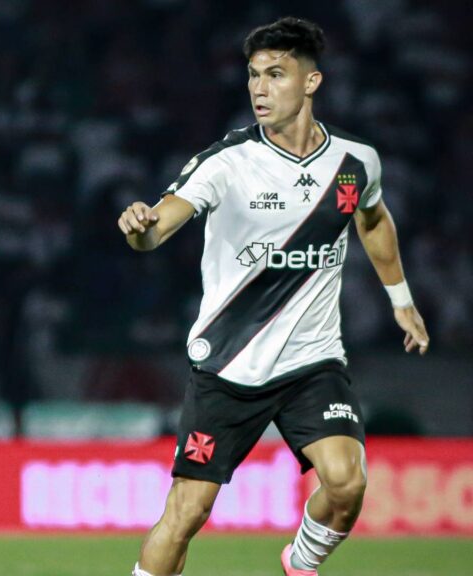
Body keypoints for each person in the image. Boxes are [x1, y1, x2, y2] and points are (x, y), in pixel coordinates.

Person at [116, 17, 429, 576]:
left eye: (276, 74)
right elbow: (158, 227)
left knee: (347, 480)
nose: (259, 88)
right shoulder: (227, 163)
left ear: (312, 82)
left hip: (313, 361)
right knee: (188, 512)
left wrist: (400, 298)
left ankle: (300, 563)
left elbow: (374, 220)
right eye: (254, 76)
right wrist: (140, 226)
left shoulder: (355, 163)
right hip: (230, 365)